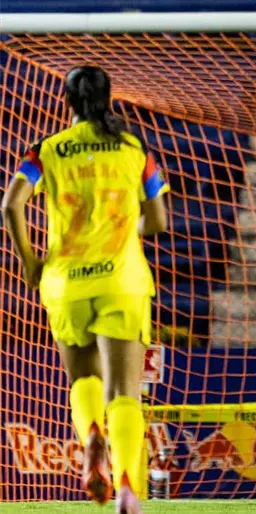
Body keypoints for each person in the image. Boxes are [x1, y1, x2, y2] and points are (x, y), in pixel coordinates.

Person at [2, 65, 169, 514]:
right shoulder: (135, 148)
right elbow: (157, 221)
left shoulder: (47, 151)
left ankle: (91, 433)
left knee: (84, 381)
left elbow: (10, 204)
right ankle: (127, 485)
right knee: (125, 393)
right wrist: (123, 227)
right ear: (109, 99)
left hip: (67, 282)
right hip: (123, 280)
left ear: (66, 103)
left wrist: (30, 263)